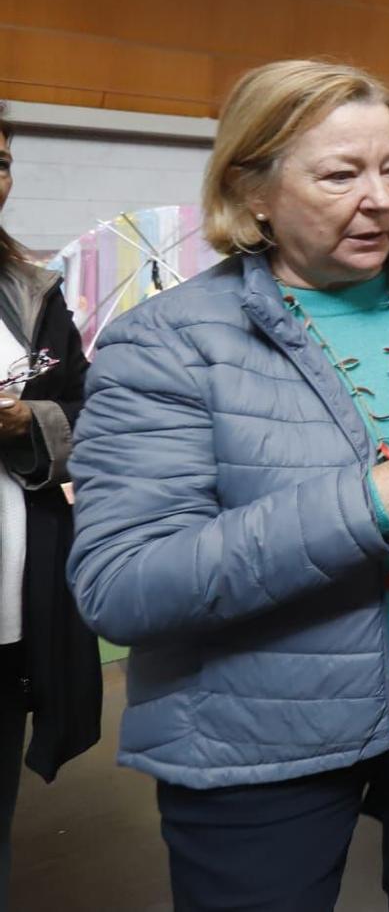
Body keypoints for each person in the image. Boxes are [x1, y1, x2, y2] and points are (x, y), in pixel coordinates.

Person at [65, 61, 389, 910]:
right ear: (250, 191)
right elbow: (122, 585)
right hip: (259, 730)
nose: (378, 198)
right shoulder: (166, 343)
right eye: (340, 174)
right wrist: (368, 504)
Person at [0, 105, 100, 901]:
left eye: (1, 162)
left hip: (13, 611)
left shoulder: (34, 292)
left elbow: (88, 410)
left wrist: (31, 417)